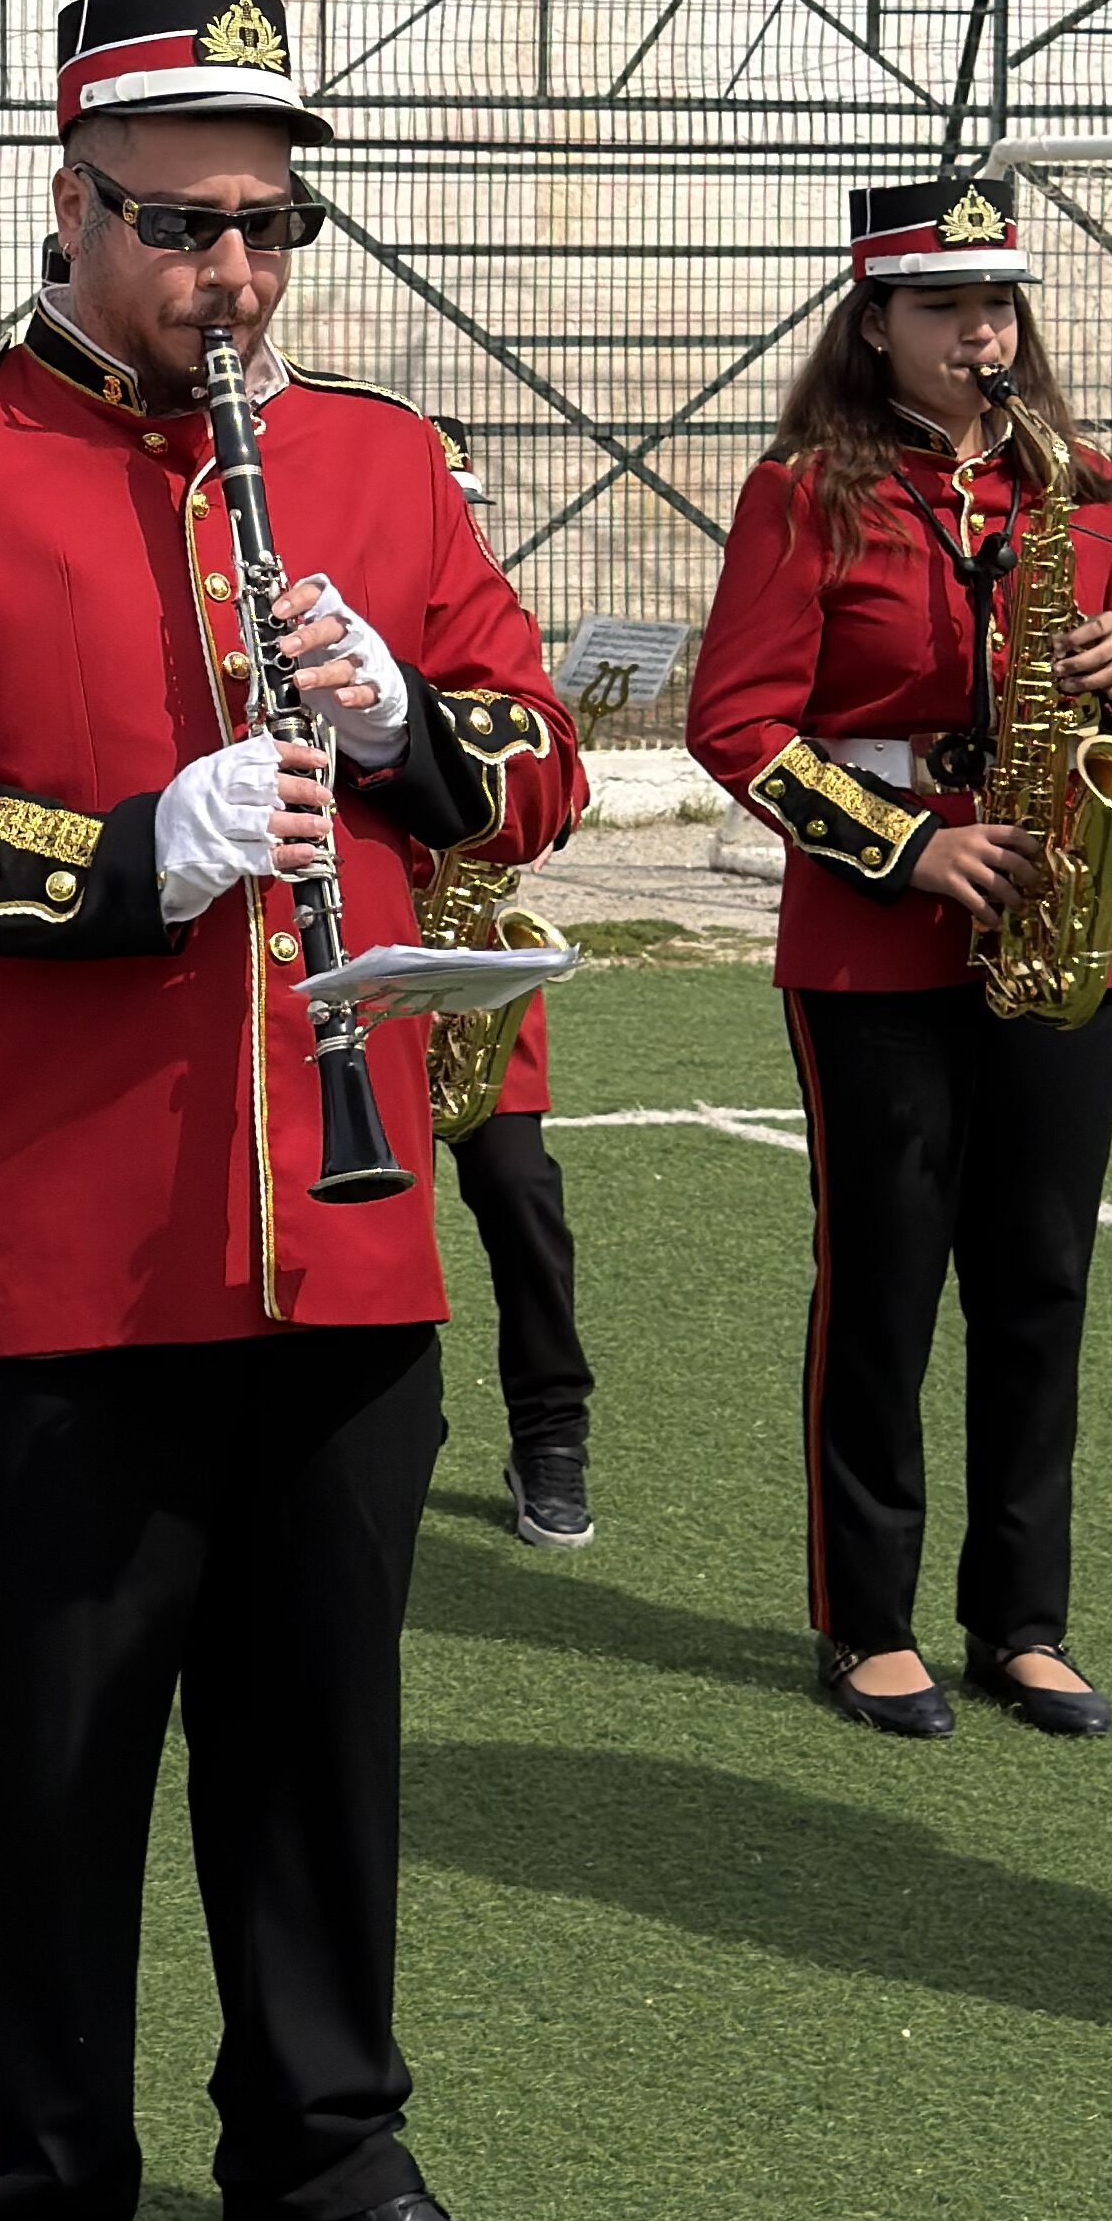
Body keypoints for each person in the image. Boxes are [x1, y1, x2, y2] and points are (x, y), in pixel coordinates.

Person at [0, 0, 589, 2221]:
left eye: (268, 230)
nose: (231, 278)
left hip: (340, 1237)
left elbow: (539, 754)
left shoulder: (375, 456)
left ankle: (323, 2159)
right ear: (70, 204)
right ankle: (27, 2207)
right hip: (60, 1248)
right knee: (45, 1759)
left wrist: (407, 734)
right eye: (181, 230)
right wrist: (140, 850)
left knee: (321, 1740)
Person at [682, 177, 1112, 1744]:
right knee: (885, 1286)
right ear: (873, 322)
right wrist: (908, 846)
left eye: (1002, 303)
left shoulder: (1080, 489)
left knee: (1042, 1283)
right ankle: (868, 1619)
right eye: (949, 306)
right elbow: (737, 723)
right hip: (878, 944)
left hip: (1054, 925)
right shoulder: (804, 492)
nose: (984, 331)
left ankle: (1024, 1618)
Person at [414, 440, 592, 1551]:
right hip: (337, 964)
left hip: (472, 960)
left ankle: (553, 1433)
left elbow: (547, 796)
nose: (470, 530)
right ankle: (391, 1431)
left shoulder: (493, 630)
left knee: (521, 1197)